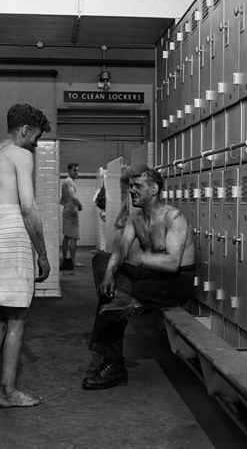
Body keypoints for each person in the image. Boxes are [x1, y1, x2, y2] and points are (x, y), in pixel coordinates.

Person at [82, 165, 196, 390]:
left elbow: (172, 264)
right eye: (131, 186)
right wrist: (108, 275)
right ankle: (117, 299)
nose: (132, 190)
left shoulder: (174, 218)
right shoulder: (136, 218)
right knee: (101, 261)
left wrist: (140, 258)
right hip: (150, 275)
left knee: (112, 299)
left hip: (174, 283)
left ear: (154, 189)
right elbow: (121, 249)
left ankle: (114, 364)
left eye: (138, 186)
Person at [0, 103, 51, 408]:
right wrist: (42, 254)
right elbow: (28, 208)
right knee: (18, 316)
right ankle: (7, 392)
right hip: (10, 232)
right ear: (25, 130)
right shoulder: (20, 155)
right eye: (35, 137)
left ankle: (3, 383)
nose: (35, 143)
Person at [60, 163, 83, 269]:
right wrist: (80, 205)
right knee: (73, 237)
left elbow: (62, 200)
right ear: (69, 170)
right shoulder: (69, 181)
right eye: (75, 170)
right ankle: (72, 261)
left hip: (67, 209)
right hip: (71, 212)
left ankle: (64, 259)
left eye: (78, 170)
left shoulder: (67, 181)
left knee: (67, 236)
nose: (77, 172)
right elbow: (73, 196)